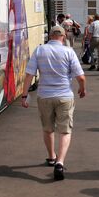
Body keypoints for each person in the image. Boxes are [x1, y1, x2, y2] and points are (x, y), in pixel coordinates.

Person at [21, 26, 86, 181]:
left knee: (48, 129)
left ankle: (51, 157)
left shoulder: (39, 50)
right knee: (65, 131)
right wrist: (82, 90)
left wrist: (24, 96)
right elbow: (81, 77)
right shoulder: (69, 52)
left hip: (44, 96)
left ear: (50, 36)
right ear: (63, 37)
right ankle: (60, 162)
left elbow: (29, 75)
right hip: (65, 96)